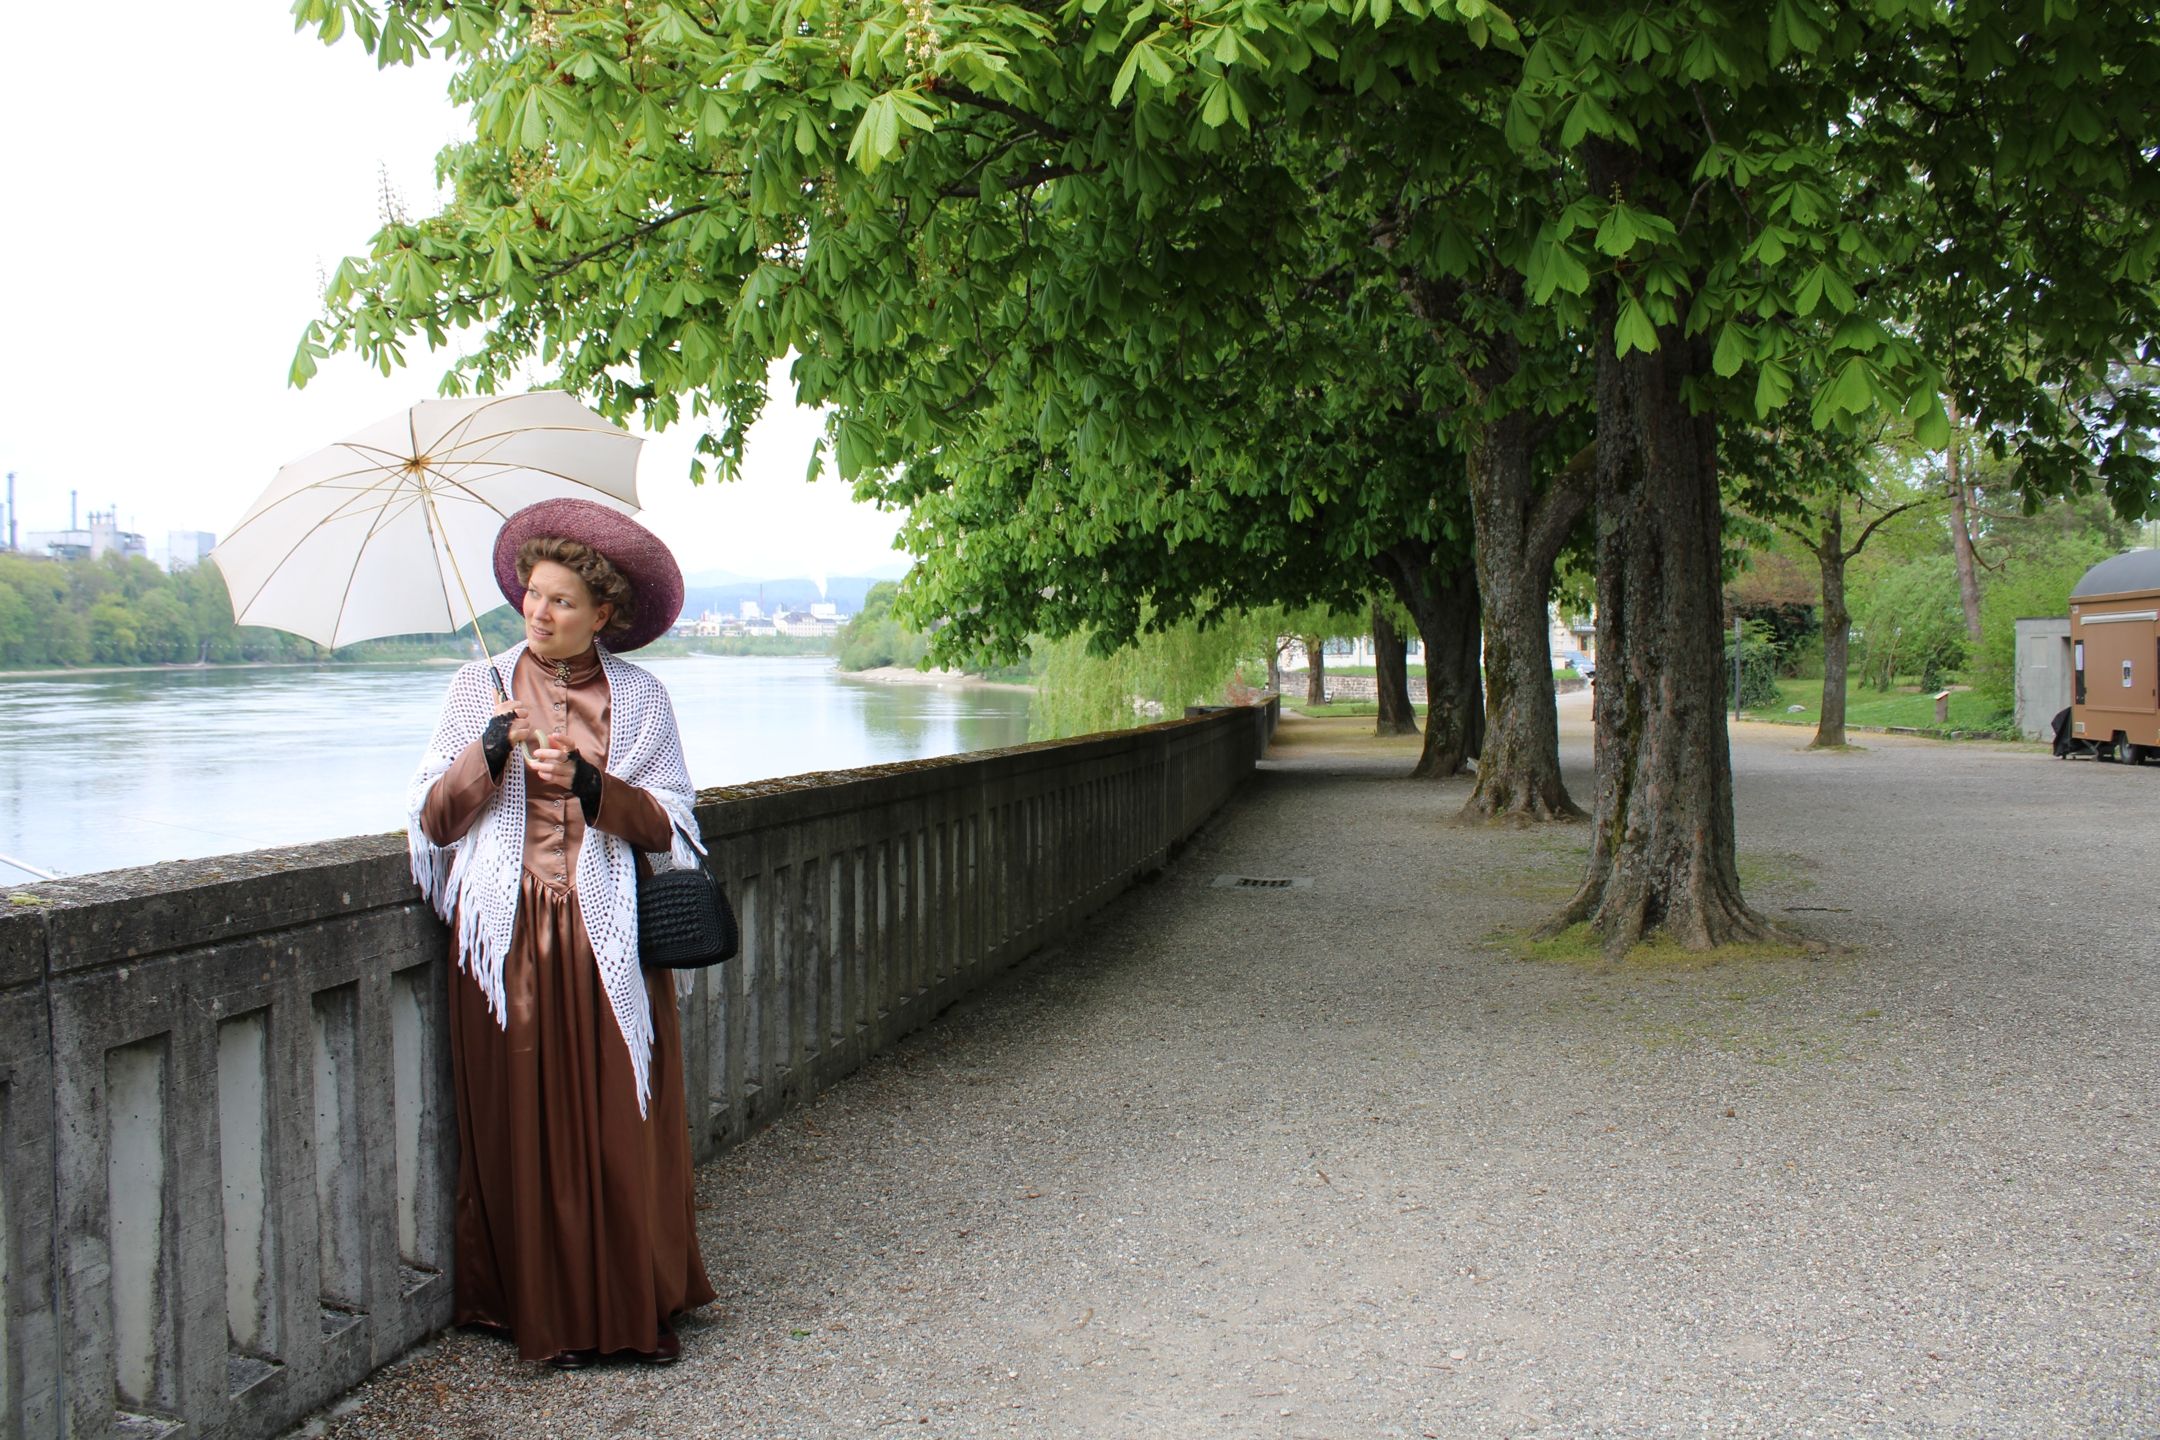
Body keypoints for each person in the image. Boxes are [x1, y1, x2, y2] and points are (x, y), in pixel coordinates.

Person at [407, 498, 715, 1368]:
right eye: (532, 597)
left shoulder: (643, 698)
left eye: (562, 602)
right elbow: (432, 821)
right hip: (505, 947)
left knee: (624, 1119)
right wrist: (489, 755)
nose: (539, 614)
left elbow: (670, 825)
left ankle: (627, 1307)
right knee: (520, 1126)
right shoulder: (480, 686)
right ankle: (531, 1310)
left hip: (607, 934)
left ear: (604, 614)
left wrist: (589, 783)